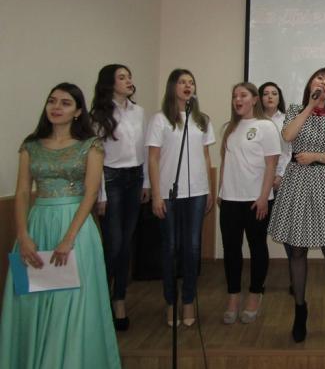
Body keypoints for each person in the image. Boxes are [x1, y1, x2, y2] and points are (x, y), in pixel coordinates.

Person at [0, 83, 121, 368]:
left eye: (65, 103)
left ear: (78, 112)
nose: (56, 107)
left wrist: (68, 239)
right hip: (37, 227)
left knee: (71, 304)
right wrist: (23, 236)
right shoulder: (30, 145)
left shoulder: (91, 145)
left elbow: (91, 192)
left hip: (76, 229)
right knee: (32, 303)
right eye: (52, 101)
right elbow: (22, 192)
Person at [267, 67, 325, 342]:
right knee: (296, 251)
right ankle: (300, 311)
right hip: (296, 182)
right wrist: (309, 106)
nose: (323, 83)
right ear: (311, 83)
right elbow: (288, 136)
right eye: (320, 79)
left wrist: (317, 156)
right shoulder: (295, 110)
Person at [147, 69, 215, 327]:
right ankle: (170, 302)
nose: (188, 86)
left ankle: (188, 301)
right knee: (171, 247)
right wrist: (156, 194)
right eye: (182, 82)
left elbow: (206, 156)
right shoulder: (160, 119)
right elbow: (153, 158)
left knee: (192, 247)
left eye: (191, 82)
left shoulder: (202, 120)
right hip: (169, 193)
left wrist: (208, 189)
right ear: (172, 87)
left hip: (196, 191)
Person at [90, 63, 149, 331]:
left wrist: (146, 182)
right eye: (122, 77)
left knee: (127, 244)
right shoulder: (98, 115)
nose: (128, 81)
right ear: (109, 83)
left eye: (129, 76)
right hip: (110, 179)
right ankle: (101, 301)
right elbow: (96, 157)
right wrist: (100, 194)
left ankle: (119, 300)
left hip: (134, 178)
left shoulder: (139, 112)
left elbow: (144, 149)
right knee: (113, 244)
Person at [218, 83, 280, 325]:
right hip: (230, 200)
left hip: (256, 200)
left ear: (254, 99)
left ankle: (255, 295)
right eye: (234, 95)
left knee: (257, 248)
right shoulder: (230, 128)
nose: (238, 99)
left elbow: (271, 165)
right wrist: (221, 192)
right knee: (231, 250)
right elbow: (225, 162)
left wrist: (264, 197)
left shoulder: (266, 126)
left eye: (243, 95)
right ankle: (233, 298)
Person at [259, 81, 293, 293]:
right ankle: (259, 282)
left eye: (274, 93)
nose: (270, 97)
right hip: (258, 183)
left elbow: (289, 151)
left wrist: (279, 174)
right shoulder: (254, 121)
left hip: (281, 182)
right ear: (260, 98)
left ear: (279, 97)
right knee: (259, 234)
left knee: (287, 233)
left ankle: (295, 280)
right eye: (265, 93)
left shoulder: (287, 120)